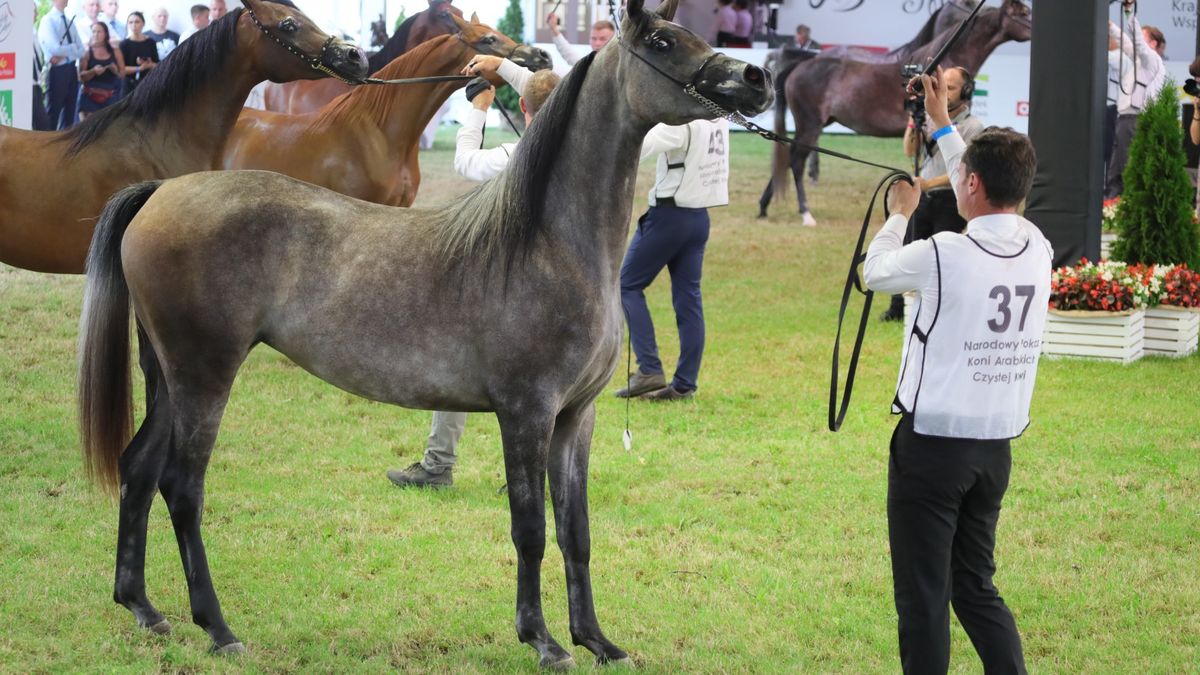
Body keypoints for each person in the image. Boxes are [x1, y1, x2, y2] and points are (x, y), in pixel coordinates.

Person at [863, 66, 1050, 675]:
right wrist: (943, 123)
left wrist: (899, 214)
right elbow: (980, 183)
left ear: (970, 183)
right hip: (994, 448)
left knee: (923, 598)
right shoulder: (1038, 244)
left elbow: (874, 272)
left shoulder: (944, 251)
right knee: (975, 585)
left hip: (933, 448)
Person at [386, 56, 561, 489]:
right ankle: (534, 473)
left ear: (523, 108)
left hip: (510, 282)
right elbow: (544, 93)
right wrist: (504, 65)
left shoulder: (517, 154)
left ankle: (438, 464)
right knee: (549, 380)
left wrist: (479, 107)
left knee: (459, 359)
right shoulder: (580, 146)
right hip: (558, 284)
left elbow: (465, 162)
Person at [616, 118, 731, 401]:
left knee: (626, 286)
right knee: (689, 299)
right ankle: (684, 383)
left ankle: (649, 368)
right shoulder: (719, 119)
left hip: (668, 217)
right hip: (699, 217)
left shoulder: (681, 122)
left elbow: (639, 145)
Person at [882, 66, 983, 321]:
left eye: (951, 88)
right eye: (941, 86)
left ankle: (937, 308)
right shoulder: (927, 119)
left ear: (966, 91)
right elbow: (909, 150)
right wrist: (913, 119)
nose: (944, 92)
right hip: (923, 197)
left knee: (941, 256)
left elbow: (964, 169)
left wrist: (929, 183)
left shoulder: (973, 126)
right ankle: (898, 309)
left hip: (950, 200)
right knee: (908, 250)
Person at [1104, 1, 1165, 200]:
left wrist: (1129, 12)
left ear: (1153, 44)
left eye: (1143, 37)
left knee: (1125, 171)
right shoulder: (1140, 62)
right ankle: (1112, 207)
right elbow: (1127, 43)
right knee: (1116, 171)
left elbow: (1135, 43)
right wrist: (1111, 26)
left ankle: (1120, 206)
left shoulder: (1152, 60)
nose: (1137, 40)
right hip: (1126, 120)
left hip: (1134, 120)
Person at [37, 0, 85, 130]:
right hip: (57, 71)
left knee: (70, 111)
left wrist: (67, 54)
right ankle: (50, 140)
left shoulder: (70, 21)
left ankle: (66, 140)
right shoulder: (48, 20)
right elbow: (55, 49)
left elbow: (82, 50)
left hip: (71, 69)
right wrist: (73, 48)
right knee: (53, 111)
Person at [77, 21, 124, 120]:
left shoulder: (115, 51)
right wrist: (93, 71)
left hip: (110, 96)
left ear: (105, 33)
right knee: (88, 127)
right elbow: (81, 77)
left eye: (99, 31)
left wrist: (115, 71)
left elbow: (122, 74)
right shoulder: (87, 52)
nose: (96, 34)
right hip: (90, 95)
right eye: (93, 32)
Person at [546, 12, 614, 67]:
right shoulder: (588, 64)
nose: (597, 43)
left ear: (613, 41)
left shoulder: (617, 65)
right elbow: (568, 54)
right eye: (593, 38)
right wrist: (553, 28)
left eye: (603, 39)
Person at [120, 11, 159, 96]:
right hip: (129, 85)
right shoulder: (124, 44)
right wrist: (139, 68)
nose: (134, 25)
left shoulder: (151, 42)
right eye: (130, 22)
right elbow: (121, 69)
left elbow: (157, 65)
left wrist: (149, 64)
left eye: (137, 22)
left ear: (143, 24)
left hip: (147, 84)